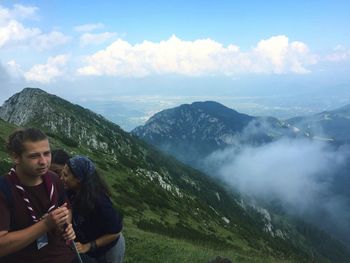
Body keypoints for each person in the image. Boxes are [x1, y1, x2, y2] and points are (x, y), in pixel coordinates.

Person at [0, 128, 78, 263]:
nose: (43, 161)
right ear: (16, 157)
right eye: (34, 156)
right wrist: (46, 224)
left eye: (47, 153)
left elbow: (67, 208)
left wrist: (65, 224)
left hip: (65, 255)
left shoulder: (54, 179)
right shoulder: (4, 189)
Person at [61, 156, 125, 263]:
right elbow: (69, 206)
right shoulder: (71, 190)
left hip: (108, 248)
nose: (61, 178)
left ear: (79, 179)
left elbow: (115, 232)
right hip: (88, 241)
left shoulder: (100, 201)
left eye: (66, 175)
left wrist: (88, 246)